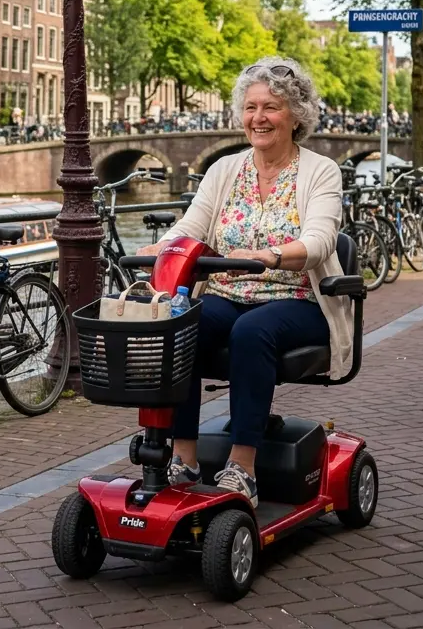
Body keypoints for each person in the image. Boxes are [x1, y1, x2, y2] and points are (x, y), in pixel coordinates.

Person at [135, 56, 354, 508]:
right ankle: (184, 459)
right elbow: (191, 227)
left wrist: (270, 256)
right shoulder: (224, 170)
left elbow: (319, 239)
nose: (259, 118)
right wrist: (164, 248)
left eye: (271, 107)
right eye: (251, 107)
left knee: (252, 331)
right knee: (182, 323)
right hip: (227, 293)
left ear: (296, 115)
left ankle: (243, 468)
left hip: (297, 299)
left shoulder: (320, 171)